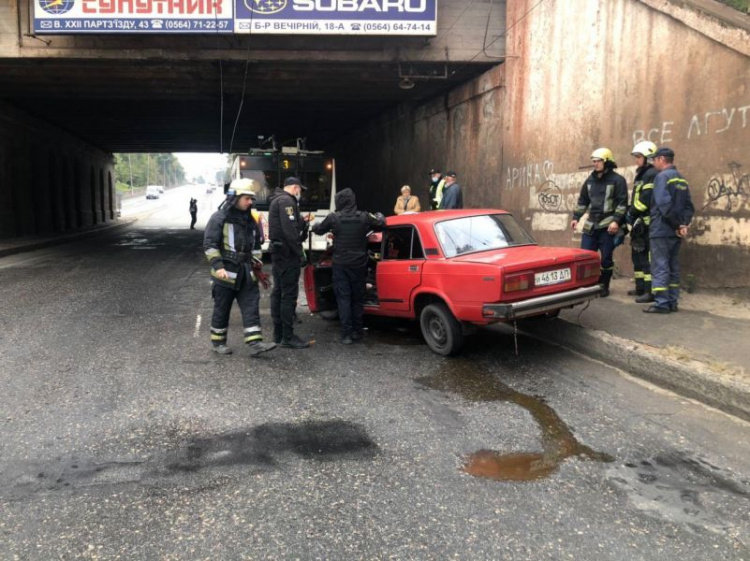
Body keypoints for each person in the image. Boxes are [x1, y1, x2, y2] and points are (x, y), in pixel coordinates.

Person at [203, 179, 276, 357]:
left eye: (251, 199)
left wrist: (257, 266)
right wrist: (218, 266)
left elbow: (257, 246)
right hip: (226, 273)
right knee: (222, 308)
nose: (250, 202)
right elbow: (210, 244)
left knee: (251, 306)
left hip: (246, 272)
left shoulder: (250, 220)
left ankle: (255, 343)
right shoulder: (219, 218)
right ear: (234, 198)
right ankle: (218, 342)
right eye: (247, 198)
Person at [312, 188, 386, 344]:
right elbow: (381, 222)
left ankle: (346, 334)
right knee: (357, 298)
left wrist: (315, 224)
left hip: (341, 264)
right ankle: (357, 332)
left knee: (343, 298)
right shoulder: (364, 217)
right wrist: (379, 214)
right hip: (359, 264)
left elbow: (318, 230)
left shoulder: (334, 218)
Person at [571, 148, 628, 297]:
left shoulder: (618, 180)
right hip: (591, 225)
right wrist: (576, 217)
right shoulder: (590, 180)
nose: (595, 164)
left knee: (606, 258)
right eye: (594, 161)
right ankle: (586, 284)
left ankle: (604, 285)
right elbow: (583, 200)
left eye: (598, 161)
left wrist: (616, 221)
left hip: (608, 225)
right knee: (585, 256)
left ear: (607, 161)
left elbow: (622, 204)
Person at [643, 147, 694, 314]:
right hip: (675, 231)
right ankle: (672, 301)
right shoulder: (682, 179)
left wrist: (676, 225)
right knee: (673, 266)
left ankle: (661, 303)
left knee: (660, 266)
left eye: (654, 159)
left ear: (661, 159)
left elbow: (664, 205)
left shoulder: (662, 177)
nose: (653, 163)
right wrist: (682, 224)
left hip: (661, 230)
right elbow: (688, 207)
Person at [268, 176, 310, 348]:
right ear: (295, 187)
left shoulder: (276, 200)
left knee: (277, 292)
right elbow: (289, 232)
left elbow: (287, 225)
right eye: (300, 189)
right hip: (287, 255)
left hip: (278, 254)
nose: (300, 192)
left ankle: (278, 334)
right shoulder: (287, 201)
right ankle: (288, 336)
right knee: (288, 295)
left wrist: (301, 222)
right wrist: (300, 253)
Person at [625, 141, 659, 303]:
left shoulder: (651, 174)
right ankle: (640, 287)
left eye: (639, 157)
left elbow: (645, 200)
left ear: (649, 158)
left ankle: (649, 291)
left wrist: (631, 212)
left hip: (647, 224)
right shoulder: (642, 174)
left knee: (646, 258)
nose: (636, 160)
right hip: (640, 224)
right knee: (637, 256)